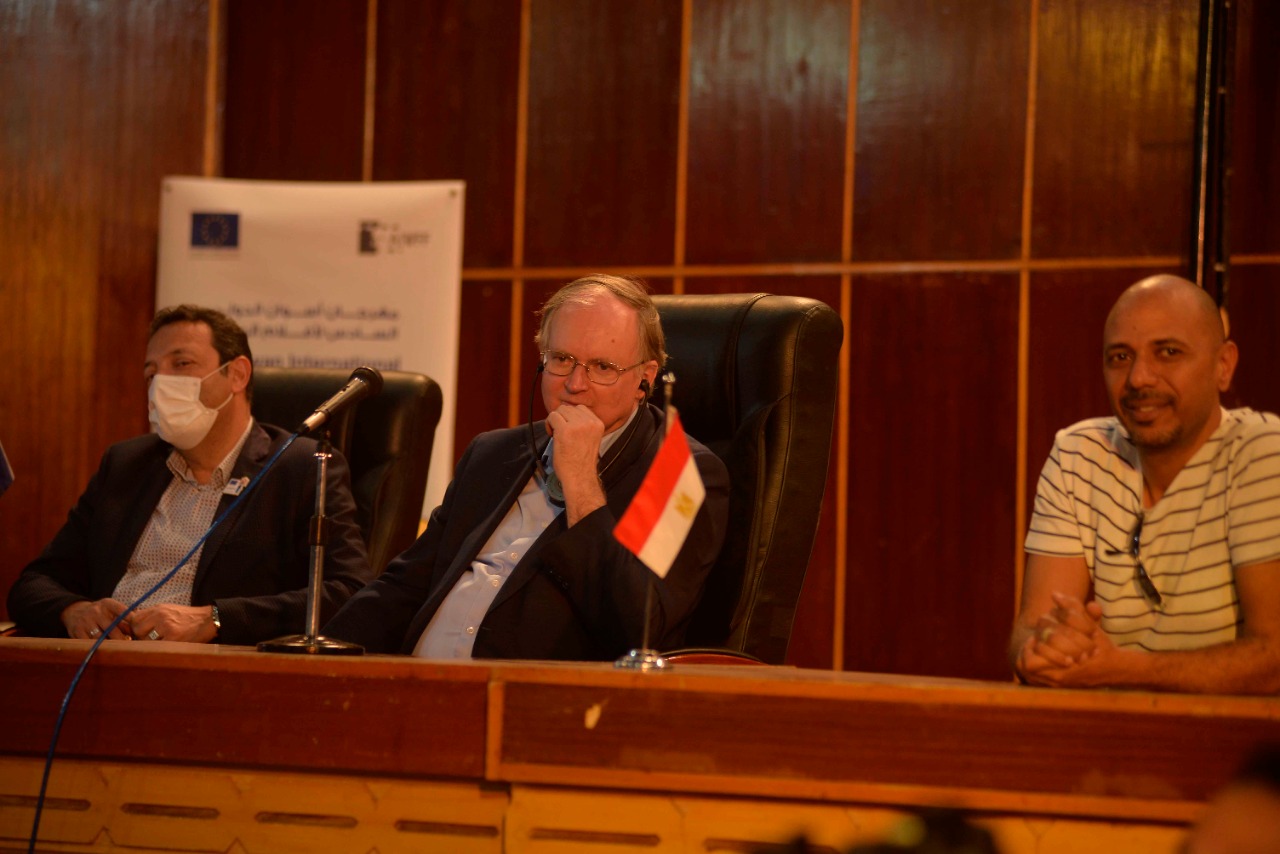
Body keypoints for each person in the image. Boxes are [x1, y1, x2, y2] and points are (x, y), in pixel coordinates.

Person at [323, 274, 730, 659]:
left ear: (645, 378)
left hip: (541, 699)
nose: (575, 384)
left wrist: (580, 480)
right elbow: (403, 588)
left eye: (602, 367)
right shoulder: (492, 453)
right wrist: (319, 657)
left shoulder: (681, 476)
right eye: (562, 359)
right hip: (419, 685)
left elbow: (636, 630)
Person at [7, 305, 371, 645]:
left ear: (237, 374)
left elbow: (348, 592)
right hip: (101, 662)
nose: (160, 383)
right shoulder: (126, 464)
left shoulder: (300, 467)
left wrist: (215, 619)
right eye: (151, 373)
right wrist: (73, 611)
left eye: (181, 363)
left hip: (213, 674)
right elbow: (34, 584)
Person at [1010, 274, 1280, 693]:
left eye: (1168, 352)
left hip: (1231, 734)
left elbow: (1274, 657)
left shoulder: (1264, 452)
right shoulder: (1079, 453)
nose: (1139, 378)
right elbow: (1030, 629)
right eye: (1120, 357)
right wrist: (1049, 649)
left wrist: (1122, 669)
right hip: (1111, 729)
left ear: (1223, 366)